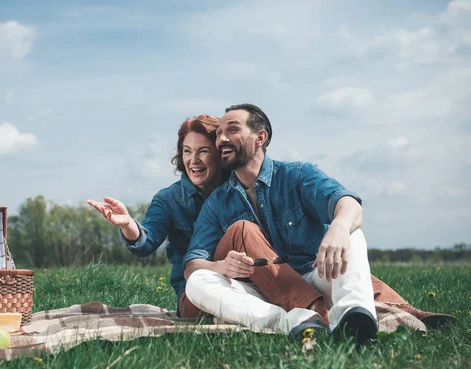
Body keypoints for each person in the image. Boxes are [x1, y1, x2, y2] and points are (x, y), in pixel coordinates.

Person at [183, 103, 454, 344]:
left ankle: (352, 317)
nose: (221, 139)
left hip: (316, 274)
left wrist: (337, 228)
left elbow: (349, 205)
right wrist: (221, 266)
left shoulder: (298, 175)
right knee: (198, 282)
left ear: (260, 138)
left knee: (351, 231)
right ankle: (296, 321)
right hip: (262, 291)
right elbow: (192, 264)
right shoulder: (217, 202)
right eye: (218, 133)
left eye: (232, 130)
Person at [87, 114, 325, 336]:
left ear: (220, 154)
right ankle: (317, 310)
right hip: (195, 293)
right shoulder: (169, 199)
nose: (193, 160)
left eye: (203, 151)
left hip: (245, 283)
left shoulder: (242, 187)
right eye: (187, 151)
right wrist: (129, 224)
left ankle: (325, 307)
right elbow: (146, 243)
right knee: (240, 231)